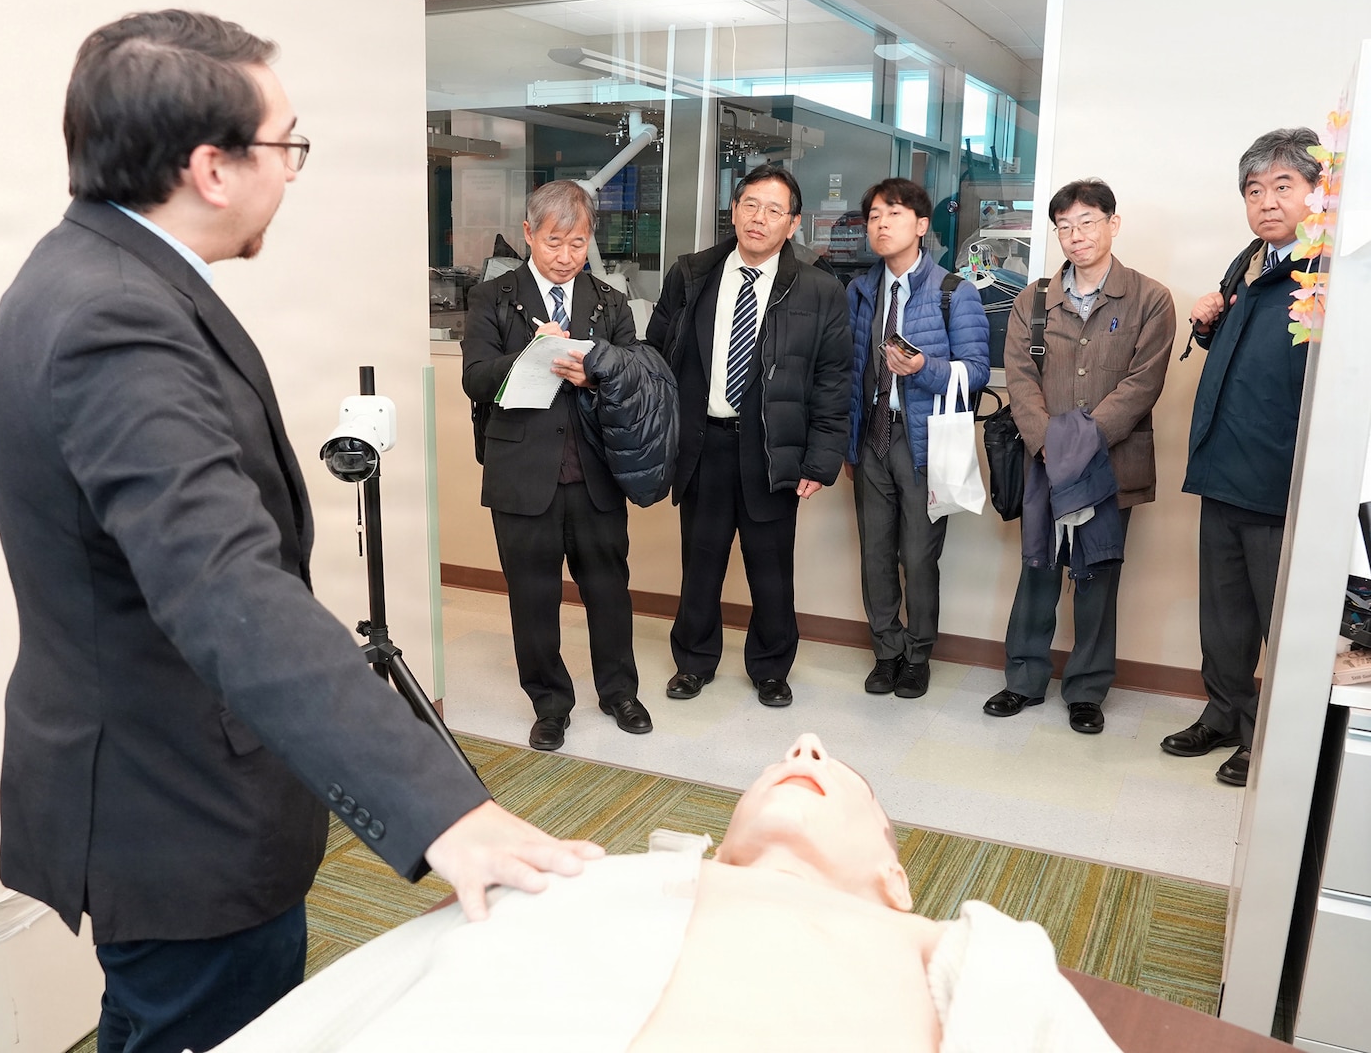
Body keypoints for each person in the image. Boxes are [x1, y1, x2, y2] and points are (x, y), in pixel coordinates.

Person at [0, 11, 599, 1053]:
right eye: (285, 145)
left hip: (161, 786)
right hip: (178, 811)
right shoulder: (112, 319)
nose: (293, 172)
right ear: (212, 167)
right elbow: (229, 592)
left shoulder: (96, 273)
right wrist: (442, 809)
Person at [204, 734, 1123, 1052]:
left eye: (835, 772)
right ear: (719, 848)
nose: (803, 750)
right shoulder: (615, 881)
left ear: (895, 879)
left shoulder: (946, 948)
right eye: (782, 762)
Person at [645, 165, 852, 708]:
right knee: (700, 563)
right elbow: (656, 357)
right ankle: (693, 662)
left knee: (771, 567)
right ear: (733, 210)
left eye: (774, 210)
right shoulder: (691, 274)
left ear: (794, 223)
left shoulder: (820, 289)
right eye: (751, 205)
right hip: (703, 443)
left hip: (771, 448)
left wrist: (820, 458)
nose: (760, 219)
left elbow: (834, 380)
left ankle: (770, 667)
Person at [461, 180, 650, 753]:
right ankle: (549, 702)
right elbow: (474, 376)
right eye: (554, 242)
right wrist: (529, 357)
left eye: (578, 243)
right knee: (532, 595)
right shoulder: (494, 298)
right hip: (523, 474)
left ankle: (619, 692)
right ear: (528, 235)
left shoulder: (609, 301)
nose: (567, 257)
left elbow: (634, 375)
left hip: (594, 472)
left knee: (609, 590)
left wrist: (594, 372)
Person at [982, 179, 1174, 734]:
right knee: (1038, 569)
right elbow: (1020, 378)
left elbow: (1143, 384)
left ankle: (1087, 690)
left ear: (1114, 224)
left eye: (1087, 221)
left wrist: (1081, 447)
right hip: (1044, 463)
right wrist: (1048, 444)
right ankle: (1022, 680)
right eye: (1064, 226)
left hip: (1113, 467)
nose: (1076, 235)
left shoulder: (1150, 298)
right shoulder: (1033, 299)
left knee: (1097, 576)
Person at [1164, 128, 1321, 786]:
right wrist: (1206, 325)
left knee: (1276, 622)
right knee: (1223, 614)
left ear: (1319, 191)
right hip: (1223, 467)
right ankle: (1225, 712)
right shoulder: (1251, 259)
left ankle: (1267, 738)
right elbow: (1246, 351)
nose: (1266, 201)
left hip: (1279, 476)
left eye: (1283, 186)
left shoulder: (1328, 272)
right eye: (1255, 190)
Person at [845, 178, 990, 699]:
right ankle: (885, 651)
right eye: (874, 216)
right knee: (874, 553)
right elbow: (852, 373)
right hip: (872, 437)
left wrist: (924, 367)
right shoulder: (861, 291)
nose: (881, 224)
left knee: (918, 555)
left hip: (924, 443)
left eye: (894, 214)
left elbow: (975, 372)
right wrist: (847, 444)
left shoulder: (956, 292)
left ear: (922, 226)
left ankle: (918, 655)